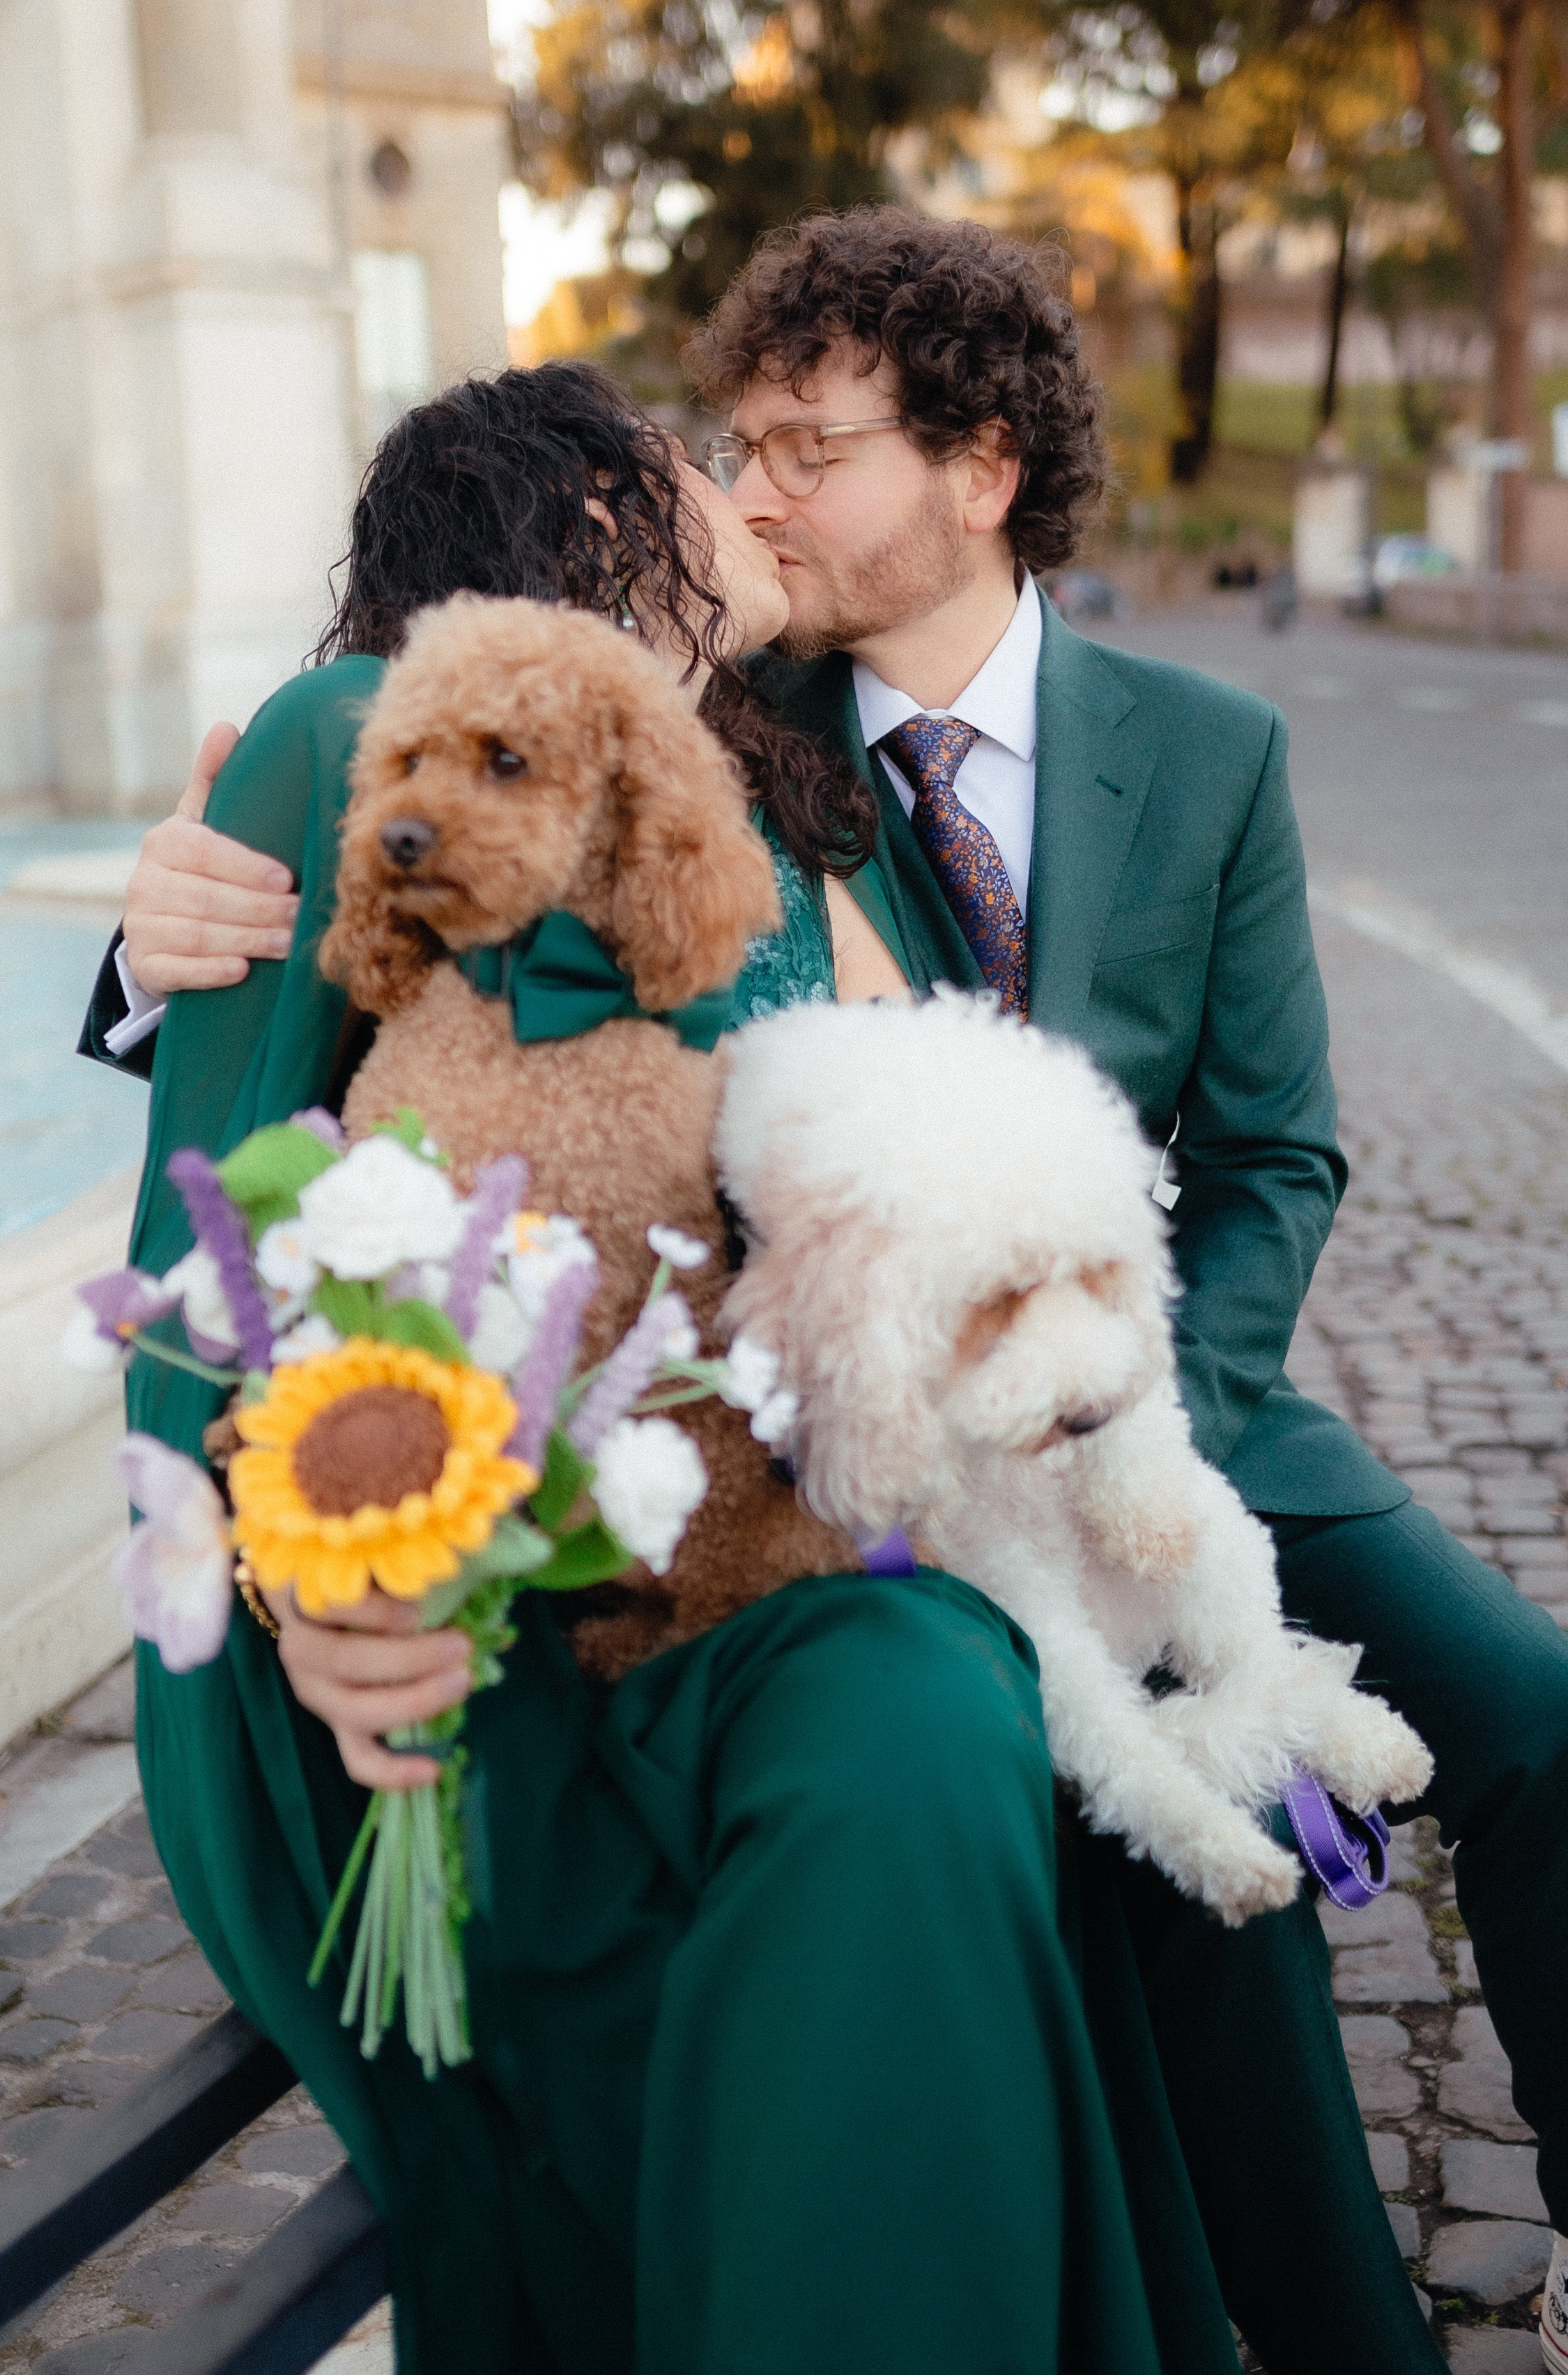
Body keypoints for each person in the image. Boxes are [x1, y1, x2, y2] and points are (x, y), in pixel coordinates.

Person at [85, 362, 1446, 2374]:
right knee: (926, 1722)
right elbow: (207, 1234)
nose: (756, 495)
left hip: (860, 1523)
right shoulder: (377, 742)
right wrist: (317, 1571)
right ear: (601, 517)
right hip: (479, 1594)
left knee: (1063, 1709)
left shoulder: (793, 777)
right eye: (708, 468)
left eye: (786, 457)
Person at [686, 203, 1568, 2367]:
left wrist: (1153, 1395)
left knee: (1540, 1727)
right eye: (747, 441)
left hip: (1187, 1415)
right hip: (891, 1487)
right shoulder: (715, 732)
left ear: (979, 465)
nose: (756, 487)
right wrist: (170, 929)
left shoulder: (1205, 752)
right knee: (1196, 1842)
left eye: (809, 444)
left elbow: (1280, 1149)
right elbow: (423, 777)